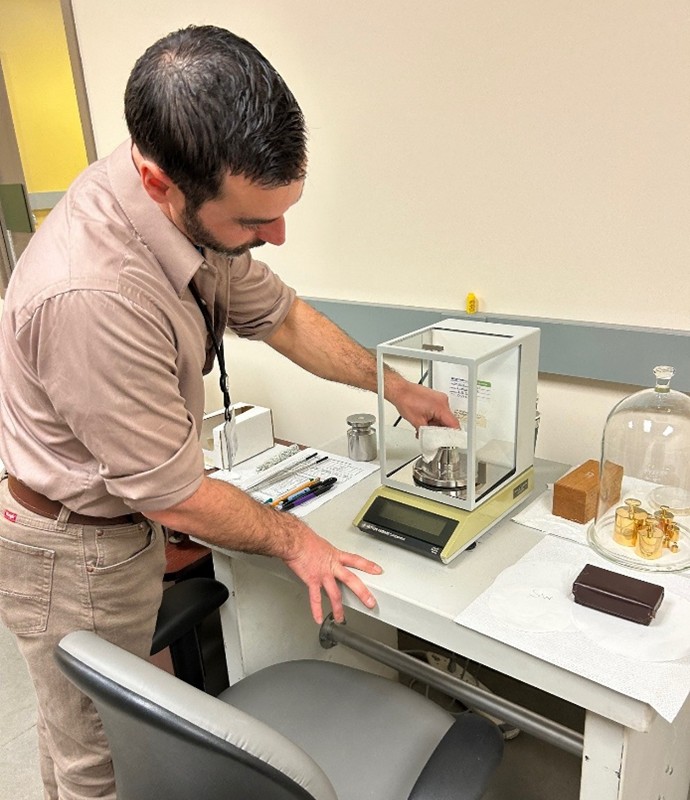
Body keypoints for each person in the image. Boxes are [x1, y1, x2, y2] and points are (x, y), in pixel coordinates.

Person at [0, 25, 457, 800]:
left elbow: (279, 316)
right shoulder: (94, 294)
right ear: (160, 184)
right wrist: (295, 541)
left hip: (123, 514)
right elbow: (171, 492)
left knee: (78, 725)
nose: (275, 237)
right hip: (69, 548)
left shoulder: (181, 193)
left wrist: (395, 386)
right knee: (94, 759)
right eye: (252, 224)